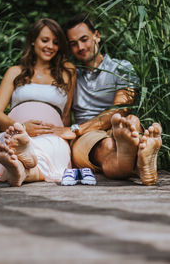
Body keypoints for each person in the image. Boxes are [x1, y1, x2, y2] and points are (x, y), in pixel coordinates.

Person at [60, 13, 162, 186]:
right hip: (88, 137)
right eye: (73, 44)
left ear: (97, 36)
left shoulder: (121, 67)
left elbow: (120, 108)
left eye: (84, 39)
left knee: (130, 121)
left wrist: (75, 129)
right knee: (108, 144)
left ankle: (132, 152)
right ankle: (138, 162)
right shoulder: (71, 75)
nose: (80, 47)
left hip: (110, 126)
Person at [0, 18, 76, 186]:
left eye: (56, 42)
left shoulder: (68, 72)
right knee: (2, 144)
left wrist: (65, 133)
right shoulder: (15, 72)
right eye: (45, 40)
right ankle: (22, 166)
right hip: (14, 133)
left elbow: (66, 115)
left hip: (50, 136)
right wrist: (20, 128)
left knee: (52, 147)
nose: (50, 46)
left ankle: (18, 168)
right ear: (33, 41)